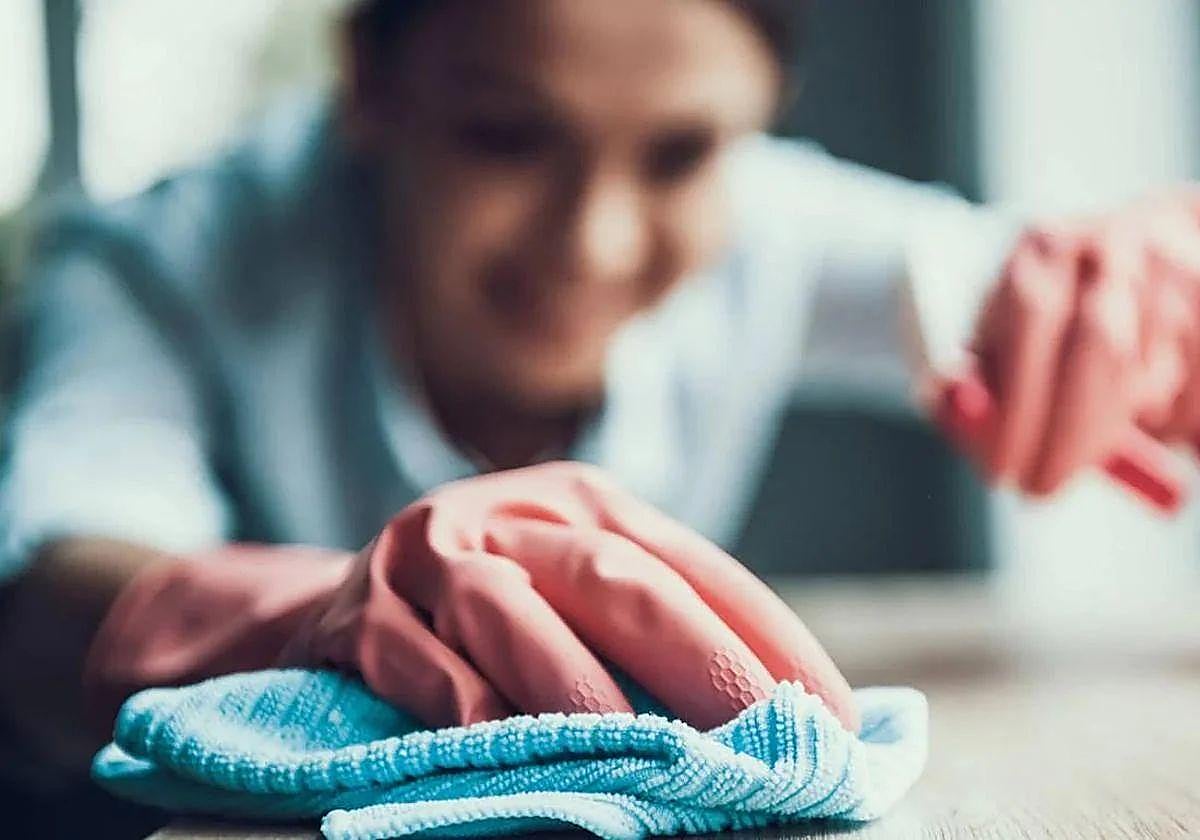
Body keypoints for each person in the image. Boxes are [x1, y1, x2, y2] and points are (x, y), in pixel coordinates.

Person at [3, 0, 1200, 781]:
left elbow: (1041, 285)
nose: (596, 242)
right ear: (369, 85)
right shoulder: (159, 263)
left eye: (682, 155)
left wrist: (1143, 295)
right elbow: (49, 589)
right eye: (507, 139)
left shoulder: (767, 218)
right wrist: (323, 613)